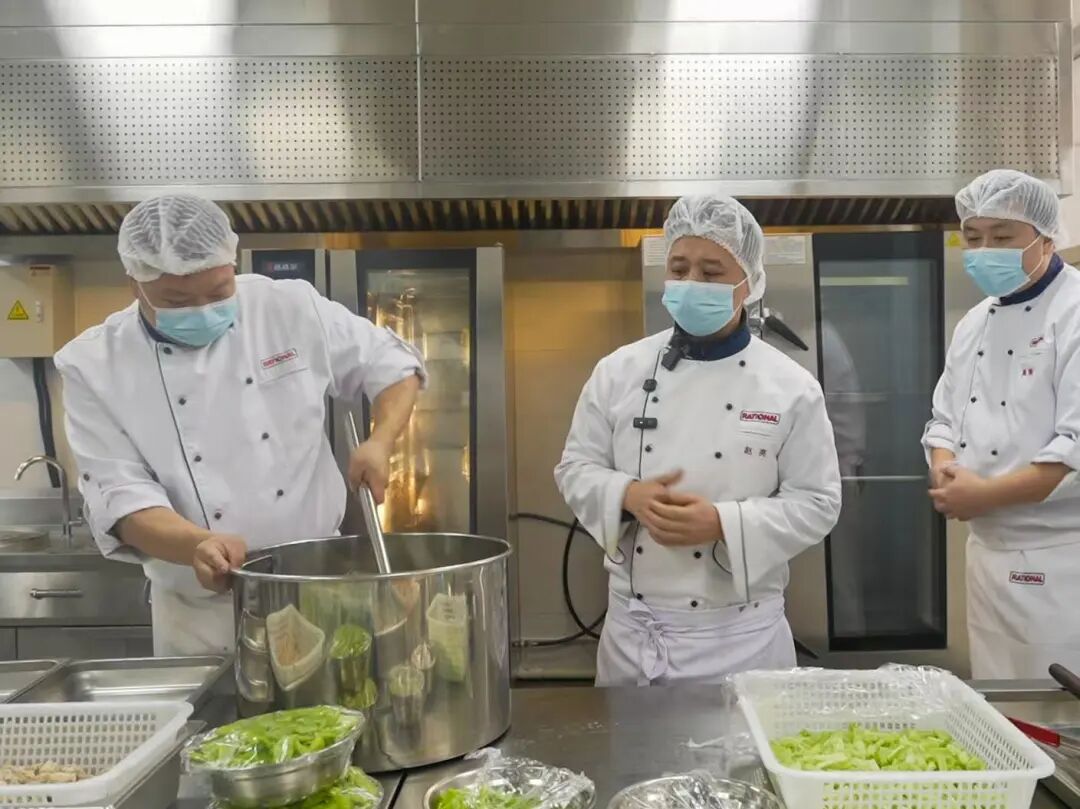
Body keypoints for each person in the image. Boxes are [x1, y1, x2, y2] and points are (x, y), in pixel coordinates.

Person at [54, 194, 425, 656]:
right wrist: (197, 545)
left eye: (218, 292)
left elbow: (393, 365)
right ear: (135, 284)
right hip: (199, 617)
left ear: (232, 263)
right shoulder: (92, 365)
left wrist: (381, 441)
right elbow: (121, 498)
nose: (202, 309)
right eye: (177, 300)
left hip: (318, 590)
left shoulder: (287, 306)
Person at [554, 194, 842, 686]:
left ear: (748, 282)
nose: (691, 283)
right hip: (636, 635)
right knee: (631, 742)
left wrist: (723, 523)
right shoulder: (618, 371)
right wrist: (627, 495)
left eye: (711, 272)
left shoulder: (790, 386)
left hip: (742, 640)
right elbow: (575, 468)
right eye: (679, 269)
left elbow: (818, 502)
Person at [924, 169, 1080, 679]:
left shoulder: (1074, 311)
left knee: (1058, 707)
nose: (985, 251)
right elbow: (944, 420)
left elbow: (1075, 447)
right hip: (986, 555)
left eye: (1003, 236)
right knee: (999, 702)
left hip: (1061, 560)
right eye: (973, 238)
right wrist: (945, 471)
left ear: (1046, 236)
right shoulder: (974, 322)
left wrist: (986, 494)